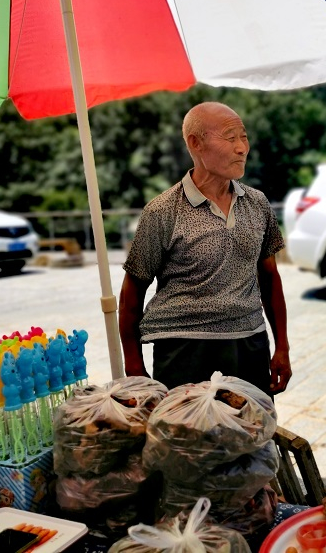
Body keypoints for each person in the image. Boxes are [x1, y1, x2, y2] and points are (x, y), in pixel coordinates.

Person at [119, 101, 292, 397]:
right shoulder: (161, 211)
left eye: (244, 136)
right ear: (195, 143)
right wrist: (133, 364)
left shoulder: (258, 204)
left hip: (249, 341)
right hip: (183, 347)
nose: (242, 148)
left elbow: (270, 278)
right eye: (230, 137)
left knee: (249, 435)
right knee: (187, 438)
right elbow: (132, 291)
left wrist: (282, 346)